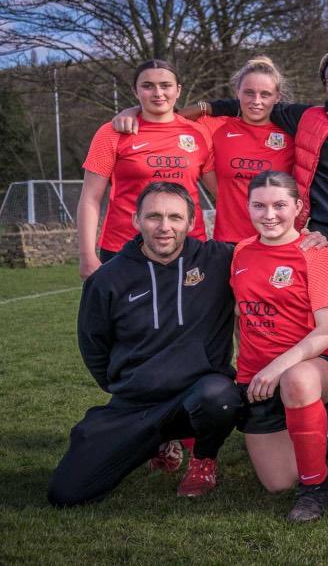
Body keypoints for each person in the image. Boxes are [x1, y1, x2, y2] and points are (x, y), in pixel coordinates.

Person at [114, 49, 328, 450]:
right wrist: (136, 110)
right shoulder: (302, 117)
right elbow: (204, 109)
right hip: (282, 239)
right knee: (231, 328)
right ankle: (210, 417)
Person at [49, 183, 243, 505]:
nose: (165, 227)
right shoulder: (107, 280)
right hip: (136, 404)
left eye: (175, 217)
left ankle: (204, 458)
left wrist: (313, 241)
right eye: (154, 216)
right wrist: (127, 383)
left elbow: (274, 251)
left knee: (220, 397)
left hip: (198, 393)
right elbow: (93, 345)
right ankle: (154, 443)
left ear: (192, 222)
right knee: (66, 493)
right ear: (137, 220)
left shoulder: (220, 260)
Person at [231, 171, 328, 522]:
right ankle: (316, 437)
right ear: (247, 207)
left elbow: (327, 331)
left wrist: (277, 366)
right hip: (257, 379)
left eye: (280, 205)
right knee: (278, 483)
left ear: (297, 206)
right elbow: (238, 316)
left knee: (296, 380)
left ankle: (315, 491)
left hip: (312, 367)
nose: (269, 214)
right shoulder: (240, 252)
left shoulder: (316, 253)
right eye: (259, 206)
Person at [78, 60, 213, 279]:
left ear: (178, 90)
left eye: (165, 85)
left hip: (188, 247)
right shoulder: (111, 133)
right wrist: (86, 255)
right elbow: (90, 199)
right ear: (135, 90)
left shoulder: (199, 133)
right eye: (148, 86)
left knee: (185, 314)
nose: (158, 92)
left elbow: (222, 191)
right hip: (124, 247)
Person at [197, 57, 296, 243]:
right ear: (237, 93)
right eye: (249, 93)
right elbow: (169, 120)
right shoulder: (216, 127)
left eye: (265, 94)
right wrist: (134, 111)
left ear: (278, 97)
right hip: (228, 242)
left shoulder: (292, 135)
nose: (256, 101)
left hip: (275, 242)